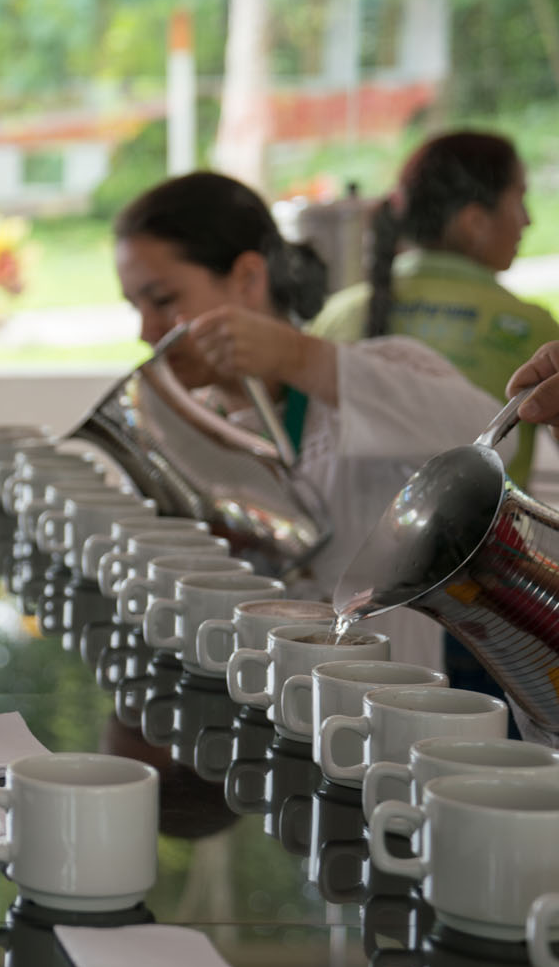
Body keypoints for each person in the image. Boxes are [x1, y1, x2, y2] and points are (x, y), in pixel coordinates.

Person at [113, 171, 499, 670]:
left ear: (248, 278)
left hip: (384, 705)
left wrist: (298, 357)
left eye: (164, 300)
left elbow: (489, 443)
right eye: (135, 306)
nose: (146, 331)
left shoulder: (378, 373)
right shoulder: (189, 428)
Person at [310, 131, 557, 485]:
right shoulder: (534, 332)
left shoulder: (335, 317)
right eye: (519, 200)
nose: (528, 220)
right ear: (475, 222)